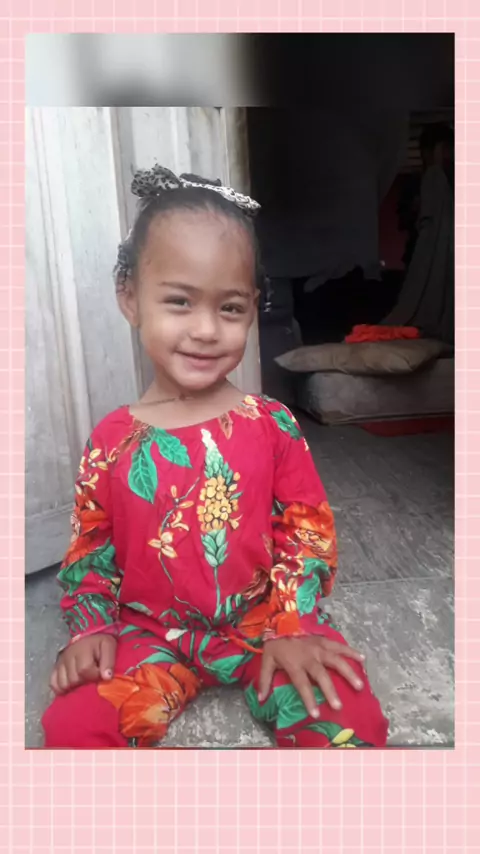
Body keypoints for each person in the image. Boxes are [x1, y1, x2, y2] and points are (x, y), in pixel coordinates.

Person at [42, 165, 388, 749]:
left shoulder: (271, 424)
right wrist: (91, 628)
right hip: (147, 633)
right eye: (179, 301)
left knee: (341, 710)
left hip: (264, 624)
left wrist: (293, 623)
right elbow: (90, 549)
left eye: (229, 309)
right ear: (130, 298)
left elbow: (306, 533)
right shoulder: (111, 439)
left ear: (253, 308)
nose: (205, 329)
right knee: (73, 726)